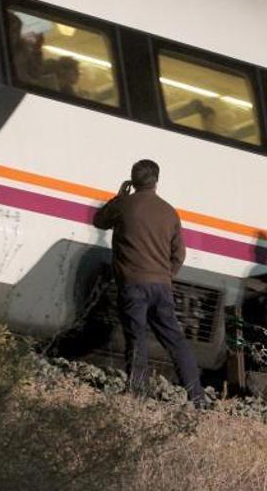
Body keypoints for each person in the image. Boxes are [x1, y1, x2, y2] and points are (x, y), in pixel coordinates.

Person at [92, 159, 205, 407]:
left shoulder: (124, 204)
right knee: (175, 340)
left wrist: (118, 196)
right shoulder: (169, 212)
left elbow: (99, 221)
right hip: (161, 286)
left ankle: (137, 393)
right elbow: (179, 254)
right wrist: (166, 275)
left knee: (137, 337)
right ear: (156, 181)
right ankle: (197, 397)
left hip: (133, 284)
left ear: (133, 181)